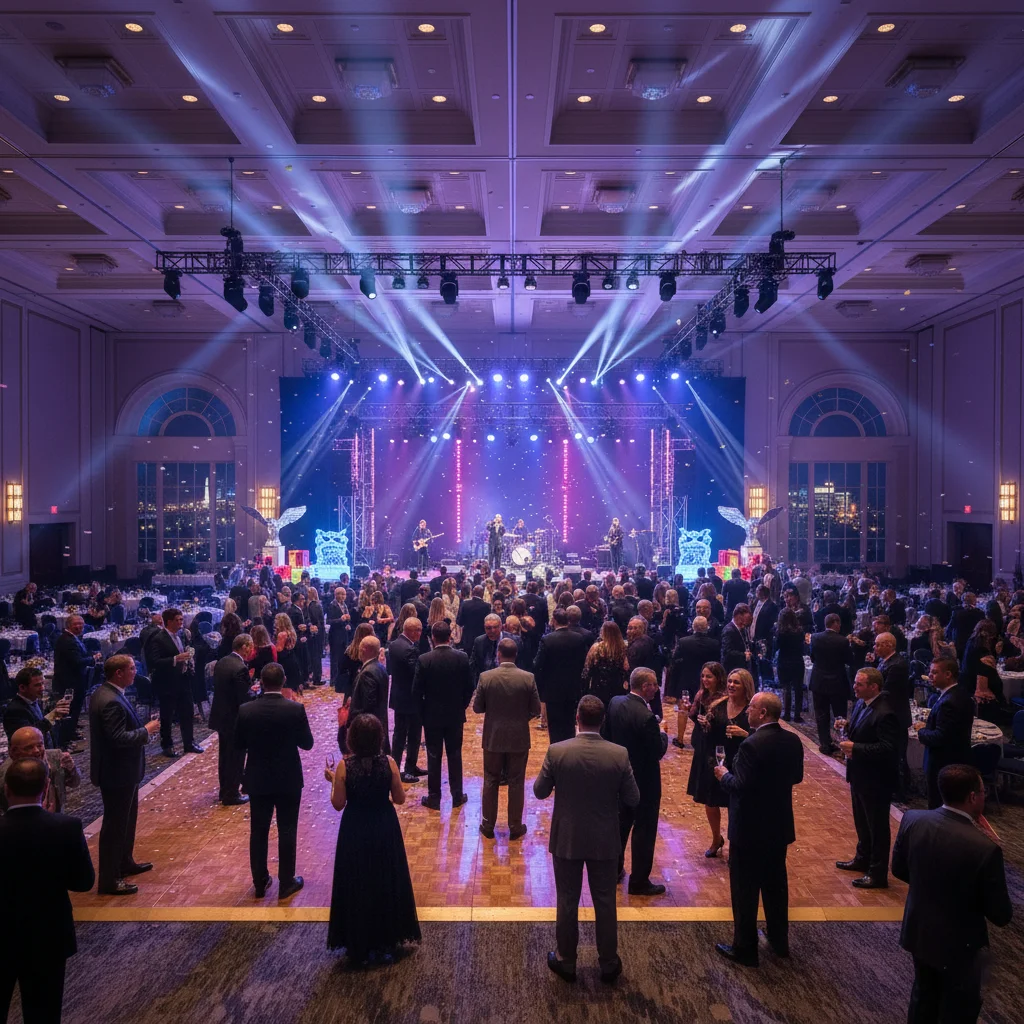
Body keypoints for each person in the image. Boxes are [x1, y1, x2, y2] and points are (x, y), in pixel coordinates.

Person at [892, 764, 1012, 1024]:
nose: (984, 796)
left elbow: (899, 870)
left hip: (919, 930)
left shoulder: (912, 819)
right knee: (958, 1008)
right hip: (961, 945)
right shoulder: (985, 848)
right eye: (983, 792)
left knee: (923, 996)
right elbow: (1001, 915)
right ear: (972, 797)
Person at [534, 695, 640, 985]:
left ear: (577, 718)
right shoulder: (619, 754)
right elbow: (633, 798)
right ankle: (608, 963)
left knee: (567, 900)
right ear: (602, 721)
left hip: (567, 837)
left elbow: (540, 792)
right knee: (605, 902)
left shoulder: (558, 751)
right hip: (605, 838)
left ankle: (567, 961)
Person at [0, 758, 95, 1023]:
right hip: (48, 936)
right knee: (43, 1013)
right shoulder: (67, 827)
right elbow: (83, 882)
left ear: (6, 789)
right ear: (46, 786)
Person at [713, 692, 804, 966]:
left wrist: (722, 775)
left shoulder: (752, 745)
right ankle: (779, 941)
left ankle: (745, 949)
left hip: (749, 829)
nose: (747, 711)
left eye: (751, 707)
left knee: (745, 891)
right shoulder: (792, 739)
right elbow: (796, 777)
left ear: (763, 713)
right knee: (776, 887)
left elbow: (739, 787)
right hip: (778, 827)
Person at [325, 712, 420, 964]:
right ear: (379, 737)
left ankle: (359, 939)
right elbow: (399, 799)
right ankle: (385, 936)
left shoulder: (345, 766)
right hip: (383, 825)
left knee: (357, 879)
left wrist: (333, 780)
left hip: (355, 827)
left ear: (352, 738)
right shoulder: (388, 763)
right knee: (385, 877)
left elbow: (338, 804)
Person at [235, 663, 314, 899]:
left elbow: (238, 745)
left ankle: (260, 882)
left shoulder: (246, 710)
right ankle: (286, 882)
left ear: (261, 681)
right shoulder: (295, 709)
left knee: (258, 830)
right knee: (287, 829)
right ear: (284, 680)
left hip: (258, 777)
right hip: (288, 778)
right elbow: (307, 744)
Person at [89, 654, 162, 895]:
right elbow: (117, 739)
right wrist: (146, 730)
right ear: (118, 673)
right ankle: (110, 880)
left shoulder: (109, 693)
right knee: (114, 827)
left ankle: (124, 862)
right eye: (131, 668)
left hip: (123, 771)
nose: (135, 671)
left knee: (126, 821)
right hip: (117, 772)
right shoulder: (110, 700)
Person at [602, 667, 668, 895]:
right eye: (655, 684)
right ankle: (639, 882)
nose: (657, 688)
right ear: (646, 687)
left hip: (619, 777)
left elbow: (605, 736)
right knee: (644, 830)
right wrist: (664, 734)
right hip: (645, 782)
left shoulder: (615, 702)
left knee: (620, 826)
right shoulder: (647, 717)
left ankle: (614, 871)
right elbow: (657, 751)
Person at [833, 667, 901, 889]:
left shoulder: (886, 712)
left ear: (874, 687)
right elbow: (864, 728)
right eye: (855, 683)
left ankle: (878, 873)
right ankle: (862, 859)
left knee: (877, 827)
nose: (854, 687)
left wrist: (856, 748)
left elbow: (889, 748)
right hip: (860, 775)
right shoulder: (864, 703)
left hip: (876, 779)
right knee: (862, 822)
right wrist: (847, 725)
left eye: (859, 684)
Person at [474, 637, 541, 840]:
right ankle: (515, 826)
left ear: (498, 654)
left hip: (493, 736)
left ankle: (487, 825)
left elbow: (477, 708)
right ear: (516, 655)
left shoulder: (486, 677)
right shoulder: (528, 678)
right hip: (519, 737)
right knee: (517, 782)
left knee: (491, 780)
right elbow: (536, 709)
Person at [412, 621, 474, 810]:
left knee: (433, 755)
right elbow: (469, 688)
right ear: (450, 637)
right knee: (455, 754)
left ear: (432, 638)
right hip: (455, 715)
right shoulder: (462, 658)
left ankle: (434, 797)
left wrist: (424, 711)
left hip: (431, 715)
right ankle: (457, 795)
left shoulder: (424, 659)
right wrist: (461, 706)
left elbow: (416, 692)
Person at [914, 657, 975, 809]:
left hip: (943, 765)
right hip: (954, 763)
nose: (930, 676)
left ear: (948, 674)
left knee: (939, 809)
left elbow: (940, 737)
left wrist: (921, 731)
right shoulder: (960, 694)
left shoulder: (949, 702)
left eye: (934, 672)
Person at [685, 661, 731, 856]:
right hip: (704, 748)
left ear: (718, 678)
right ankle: (715, 839)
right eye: (703, 676)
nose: (704, 680)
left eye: (709, 677)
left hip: (721, 749)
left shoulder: (727, 698)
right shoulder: (701, 694)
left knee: (728, 796)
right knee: (709, 798)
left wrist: (711, 724)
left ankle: (734, 841)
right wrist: (692, 712)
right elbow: (694, 716)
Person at [144, 607, 203, 757]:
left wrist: (189, 656)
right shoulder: (158, 638)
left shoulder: (181, 635)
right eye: (178, 620)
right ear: (168, 622)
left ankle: (189, 743)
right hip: (167, 682)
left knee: (187, 712)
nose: (181, 623)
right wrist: (176, 659)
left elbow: (186, 650)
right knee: (167, 715)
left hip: (183, 679)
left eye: (182, 620)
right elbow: (154, 661)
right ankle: (167, 745)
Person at [209, 633, 256, 806]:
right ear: (244, 647)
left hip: (221, 717)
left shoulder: (223, 661)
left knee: (224, 757)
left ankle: (225, 790)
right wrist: (256, 692)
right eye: (250, 647)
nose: (252, 650)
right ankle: (232, 794)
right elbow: (244, 697)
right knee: (236, 758)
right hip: (235, 719)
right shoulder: (240, 668)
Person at [534, 607, 590, 744]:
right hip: (573, 688)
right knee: (570, 724)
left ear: (554, 621)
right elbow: (584, 662)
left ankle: (556, 754)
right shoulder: (579, 639)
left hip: (552, 690)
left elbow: (537, 665)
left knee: (554, 728)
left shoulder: (547, 640)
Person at [0, 726, 80, 813]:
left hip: (56, 818)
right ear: (14, 752)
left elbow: (75, 783)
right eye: (29, 747)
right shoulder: (6, 776)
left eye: (40, 745)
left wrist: (72, 769)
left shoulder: (56, 756)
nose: (37, 750)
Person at [388, 617, 425, 782]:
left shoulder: (394, 644)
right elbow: (416, 675)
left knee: (399, 734)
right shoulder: (410, 649)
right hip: (411, 698)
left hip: (398, 695)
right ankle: (408, 769)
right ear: (412, 630)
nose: (420, 633)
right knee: (413, 734)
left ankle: (397, 767)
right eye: (419, 630)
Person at [875, 631, 912, 797]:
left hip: (896, 716)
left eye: (878, 644)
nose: (875, 648)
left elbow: (886, 690)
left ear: (888, 645)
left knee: (898, 755)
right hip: (890, 715)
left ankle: (902, 790)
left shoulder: (897, 665)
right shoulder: (886, 661)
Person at [809, 613, 851, 755]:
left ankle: (825, 744)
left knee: (821, 715)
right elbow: (848, 660)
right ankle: (843, 743)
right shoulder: (843, 641)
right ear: (835, 623)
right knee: (840, 715)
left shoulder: (815, 638)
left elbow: (812, 657)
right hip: (837, 683)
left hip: (819, 681)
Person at [52, 613, 98, 741]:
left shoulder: (71, 638)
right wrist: (92, 659)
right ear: (68, 626)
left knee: (74, 710)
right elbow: (77, 662)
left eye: (81, 624)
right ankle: (67, 738)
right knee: (70, 710)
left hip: (72, 680)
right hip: (70, 682)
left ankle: (71, 732)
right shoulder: (68, 641)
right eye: (76, 624)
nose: (79, 626)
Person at [3, 665, 70, 746]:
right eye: (37, 685)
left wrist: (56, 711)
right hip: (31, 756)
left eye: (43, 684)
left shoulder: (35, 700)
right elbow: (31, 736)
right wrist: (52, 715)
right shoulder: (14, 710)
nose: (42, 688)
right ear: (22, 688)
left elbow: (43, 724)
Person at [348, 635, 390, 754]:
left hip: (368, 730)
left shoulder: (367, 672)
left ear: (365, 649)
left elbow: (368, 705)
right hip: (379, 723)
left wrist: (352, 717)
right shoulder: (380, 667)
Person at [583, 621, 629, 709]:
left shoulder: (597, 648)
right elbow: (626, 668)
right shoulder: (624, 647)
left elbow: (587, 669)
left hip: (599, 686)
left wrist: (585, 689)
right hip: (617, 686)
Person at [773, 609, 807, 722]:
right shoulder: (799, 631)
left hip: (784, 660)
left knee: (786, 688)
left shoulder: (780, 632)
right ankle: (797, 714)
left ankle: (787, 713)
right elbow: (802, 647)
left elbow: (776, 647)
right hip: (797, 660)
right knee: (798, 688)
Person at [457, 584, 491, 653]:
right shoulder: (487, 606)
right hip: (482, 638)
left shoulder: (465, 604)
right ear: (482, 593)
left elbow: (459, 622)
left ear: (472, 592)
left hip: (467, 638)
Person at [720, 603, 753, 674]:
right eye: (742, 622)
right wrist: (744, 655)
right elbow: (727, 652)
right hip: (731, 670)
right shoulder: (728, 630)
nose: (744, 625)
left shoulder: (742, 628)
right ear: (737, 616)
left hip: (742, 668)